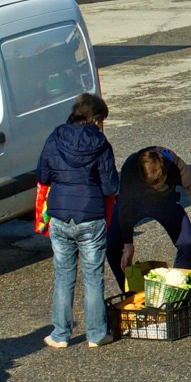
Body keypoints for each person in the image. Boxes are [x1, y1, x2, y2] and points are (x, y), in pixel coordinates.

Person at [36, 93, 120, 348]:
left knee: (63, 275)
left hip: (60, 214)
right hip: (90, 217)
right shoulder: (101, 144)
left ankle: (60, 334)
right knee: (93, 277)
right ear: (95, 119)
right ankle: (96, 335)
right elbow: (110, 186)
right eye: (102, 119)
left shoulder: (56, 137)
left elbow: (43, 174)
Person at [109, 146, 191, 277]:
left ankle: (174, 286)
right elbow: (125, 205)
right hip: (134, 204)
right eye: (150, 187)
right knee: (111, 244)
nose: (153, 190)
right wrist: (128, 243)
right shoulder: (131, 166)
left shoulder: (178, 169)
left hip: (165, 204)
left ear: (166, 175)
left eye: (157, 186)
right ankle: (131, 294)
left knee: (187, 243)